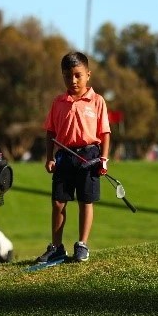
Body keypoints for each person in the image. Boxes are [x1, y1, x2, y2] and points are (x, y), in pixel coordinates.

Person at [37, 51, 111, 263]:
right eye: (68, 76)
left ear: (88, 74)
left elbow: (105, 133)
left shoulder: (97, 101)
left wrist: (104, 159)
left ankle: (82, 244)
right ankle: (57, 247)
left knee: (85, 201)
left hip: (89, 156)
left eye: (78, 75)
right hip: (63, 156)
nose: (73, 80)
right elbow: (50, 132)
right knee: (58, 202)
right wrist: (50, 157)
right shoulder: (59, 102)